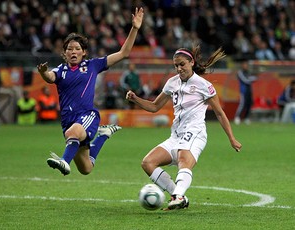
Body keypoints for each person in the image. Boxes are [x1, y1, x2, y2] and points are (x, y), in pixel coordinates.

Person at [126, 45, 242, 210]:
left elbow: (220, 114)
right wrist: (136, 99)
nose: (179, 69)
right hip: (176, 136)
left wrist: (232, 138)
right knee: (148, 163)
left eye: (182, 64)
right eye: (176, 65)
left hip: (195, 133)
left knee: (183, 159)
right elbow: (154, 107)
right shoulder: (172, 83)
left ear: (191, 62)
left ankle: (177, 195)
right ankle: (179, 196)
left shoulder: (204, 85)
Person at [37, 7, 144, 176]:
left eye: (77, 48)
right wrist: (43, 72)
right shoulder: (61, 70)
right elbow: (50, 77)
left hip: (87, 115)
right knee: (86, 168)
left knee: (73, 134)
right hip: (68, 120)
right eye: (70, 49)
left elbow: (124, 53)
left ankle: (64, 161)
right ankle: (104, 134)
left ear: (84, 52)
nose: (73, 51)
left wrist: (135, 28)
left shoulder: (93, 65)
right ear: (64, 53)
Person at [234, 60, 257, 125]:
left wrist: (252, 78)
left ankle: (246, 118)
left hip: (249, 91)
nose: (246, 66)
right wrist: (252, 79)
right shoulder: (240, 72)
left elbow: (252, 78)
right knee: (242, 104)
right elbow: (245, 80)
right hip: (243, 91)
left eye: (246, 65)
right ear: (242, 65)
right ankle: (237, 117)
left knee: (249, 104)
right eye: (244, 64)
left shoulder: (248, 72)